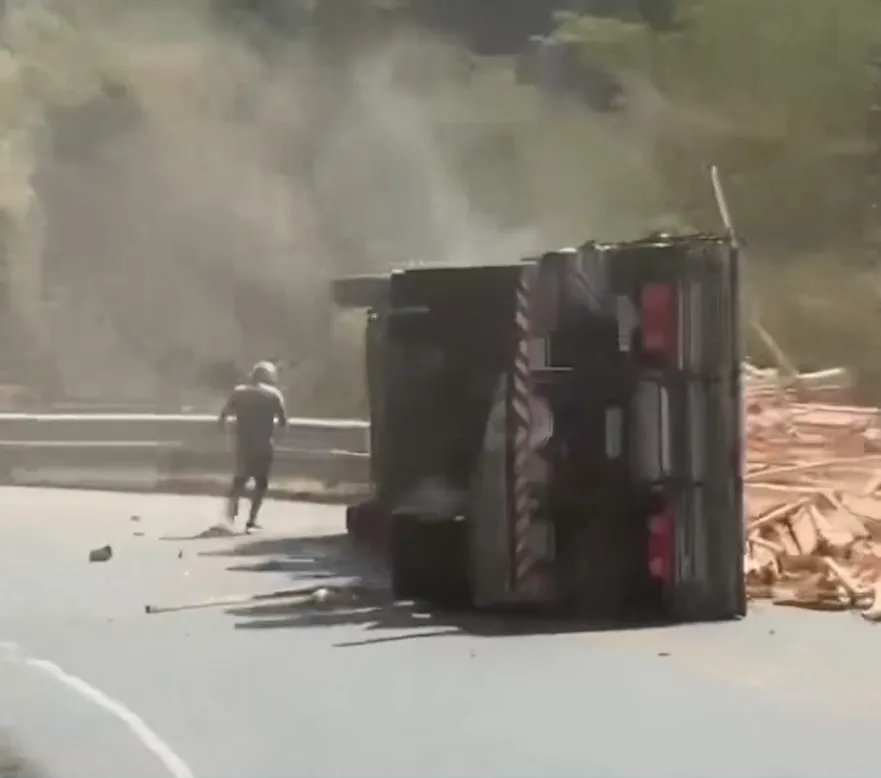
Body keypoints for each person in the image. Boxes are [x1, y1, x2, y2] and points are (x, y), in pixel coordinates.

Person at [217, 361, 288, 531]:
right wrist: (275, 438)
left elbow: (223, 417)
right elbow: (283, 422)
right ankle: (251, 520)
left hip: (244, 444)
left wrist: (229, 433)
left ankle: (231, 512)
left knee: (239, 479)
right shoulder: (274, 395)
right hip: (264, 444)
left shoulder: (239, 393)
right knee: (261, 482)